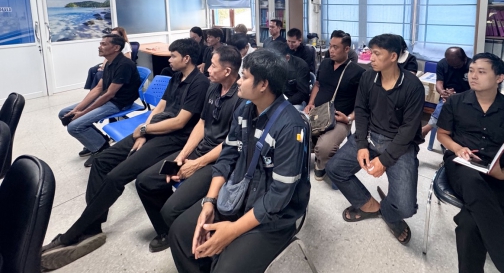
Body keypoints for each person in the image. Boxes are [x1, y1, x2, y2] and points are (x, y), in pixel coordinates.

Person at [41, 39, 210, 271]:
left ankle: (76, 232)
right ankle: (93, 225)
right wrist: (143, 131)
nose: (169, 59)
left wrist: (146, 130)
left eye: (173, 56)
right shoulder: (176, 77)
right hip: (154, 130)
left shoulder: (199, 83)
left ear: (186, 58)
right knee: (101, 161)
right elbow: (160, 107)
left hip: (172, 138)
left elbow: (179, 122)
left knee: (116, 177)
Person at [168, 49, 311, 273]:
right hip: (238, 194)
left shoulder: (290, 127)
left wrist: (233, 230)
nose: (238, 82)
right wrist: (209, 201)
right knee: (180, 234)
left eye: (244, 77)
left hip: (272, 213)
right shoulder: (245, 108)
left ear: (263, 84)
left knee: (227, 268)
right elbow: (227, 155)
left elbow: (279, 195)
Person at [436, 52, 504, 273]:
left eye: (481, 72)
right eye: (471, 71)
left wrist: (502, 174)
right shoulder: (455, 102)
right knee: (472, 179)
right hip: (461, 165)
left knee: (469, 223)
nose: (473, 76)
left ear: (499, 77)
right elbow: (442, 135)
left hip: (498, 175)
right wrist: (457, 148)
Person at [136, 46, 244, 253]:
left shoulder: (242, 98)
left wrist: (196, 164)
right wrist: (183, 155)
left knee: (171, 210)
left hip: (218, 160)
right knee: (145, 182)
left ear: (227, 71)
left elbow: (232, 143)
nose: (208, 70)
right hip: (199, 151)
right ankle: (167, 232)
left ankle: (193, 242)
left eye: (213, 66)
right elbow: (202, 123)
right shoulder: (213, 87)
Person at [326, 34, 424, 245]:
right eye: (371, 52)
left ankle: (389, 211)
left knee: (406, 208)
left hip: (399, 144)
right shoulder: (368, 77)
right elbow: (361, 111)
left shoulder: (413, 86)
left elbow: (408, 130)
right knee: (334, 169)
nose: (371, 58)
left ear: (393, 57)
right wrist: (361, 145)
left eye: (377, 54)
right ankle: (370, 206)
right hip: (370, 136)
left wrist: (385, 160)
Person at [60, 34, 141, 163]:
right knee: (64, 113)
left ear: (116, 48)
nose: (99, 47)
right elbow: (98, 88)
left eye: (104, 44)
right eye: (100, 44)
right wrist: (77, 109)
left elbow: (109, 94)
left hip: (119, 103)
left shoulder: (124, 65)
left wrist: (83, 112)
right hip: (108, 99)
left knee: (74, 127)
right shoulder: (109, 62)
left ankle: (101, 149)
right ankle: (97, 141)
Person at [304, 30, 364, 181]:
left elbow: (363, 103)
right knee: (297, 136)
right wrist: (310, 103)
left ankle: (322, 162)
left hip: (339, 118)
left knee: (324, 148)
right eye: (330, 46)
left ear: (346, 49)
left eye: (335, 47)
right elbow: (317, 85)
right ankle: (316, 148)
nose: (331, 50)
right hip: (318, 113)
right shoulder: (325, 64)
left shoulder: (357, 72)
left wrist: (349, 119)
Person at [422, 47, 471, 151]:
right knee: (446, 103)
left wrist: (457, 96)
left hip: (467, 98)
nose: (454, 68)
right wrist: (442, 92)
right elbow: (439, 83)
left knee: (448, 105)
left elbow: (475, 90)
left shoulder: (471, 66)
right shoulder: (442, 64)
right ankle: (446, 141)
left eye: (457, 66)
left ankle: (428, 127)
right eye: (451, 65)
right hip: (447, 97)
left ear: (465, 59)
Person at [270, 41, 310, 108]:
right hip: (278, 98)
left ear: (287, 57)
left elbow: (303, 93)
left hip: (295, 101)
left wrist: (285, 103)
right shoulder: (274, 64)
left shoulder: (301, 66)